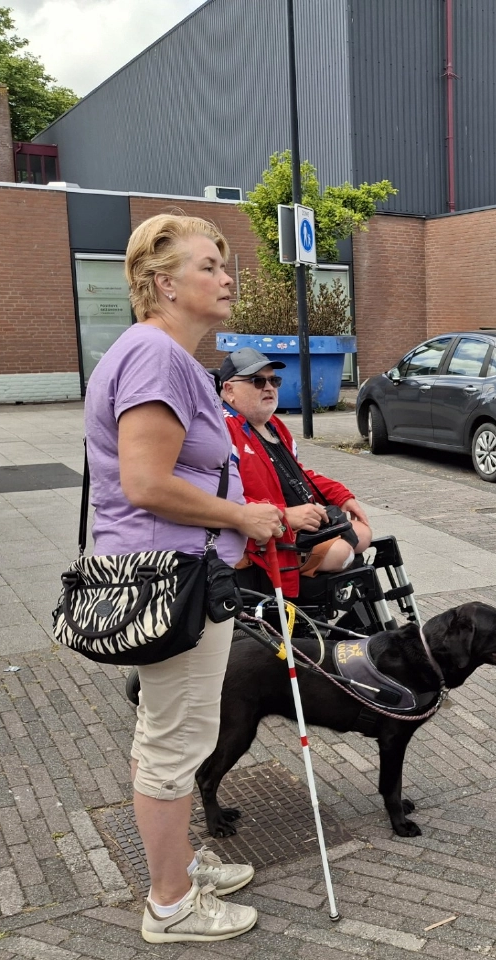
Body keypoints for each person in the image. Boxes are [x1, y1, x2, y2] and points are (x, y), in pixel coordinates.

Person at [84, 214, 286, 944]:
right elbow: (145, 482)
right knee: (174, 741)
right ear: (164, 283)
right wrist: (243, 514)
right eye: (209, 265)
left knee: (169, 732)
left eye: (225, 264)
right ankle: (171, 904)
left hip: (182, 575)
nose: (227, 277)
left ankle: (180, 867)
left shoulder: (161, 355)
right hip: (174, 583)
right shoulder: (157, 357)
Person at [218, 347, 372, 597]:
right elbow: (220, 499)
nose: (269, 387)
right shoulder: (222, 431)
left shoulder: (274, 425)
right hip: (262, 541)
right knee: (341, 553)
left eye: (274, 380)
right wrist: (285, 516)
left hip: (297, 526)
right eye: (258, 381)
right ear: (229, 390)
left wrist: (340, 495)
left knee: (363, 533)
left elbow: (296, 474)